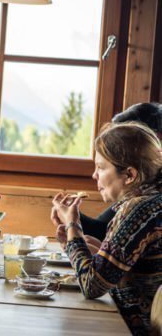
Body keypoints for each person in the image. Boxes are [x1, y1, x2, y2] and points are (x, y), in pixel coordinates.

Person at [51, 122, 161, 334]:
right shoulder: (154, 200)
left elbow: (91, 286)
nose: (94, 175)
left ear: (129, 175)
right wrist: (79, 243)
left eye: (101, 167)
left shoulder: (139, 210)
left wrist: (73, 226)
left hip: (133, 328)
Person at [52, 102, 162, 243]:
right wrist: (71, 217)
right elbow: (106, 230)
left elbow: (101, 259)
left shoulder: (144, 199)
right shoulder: (141, 189)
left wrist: (72, 224)